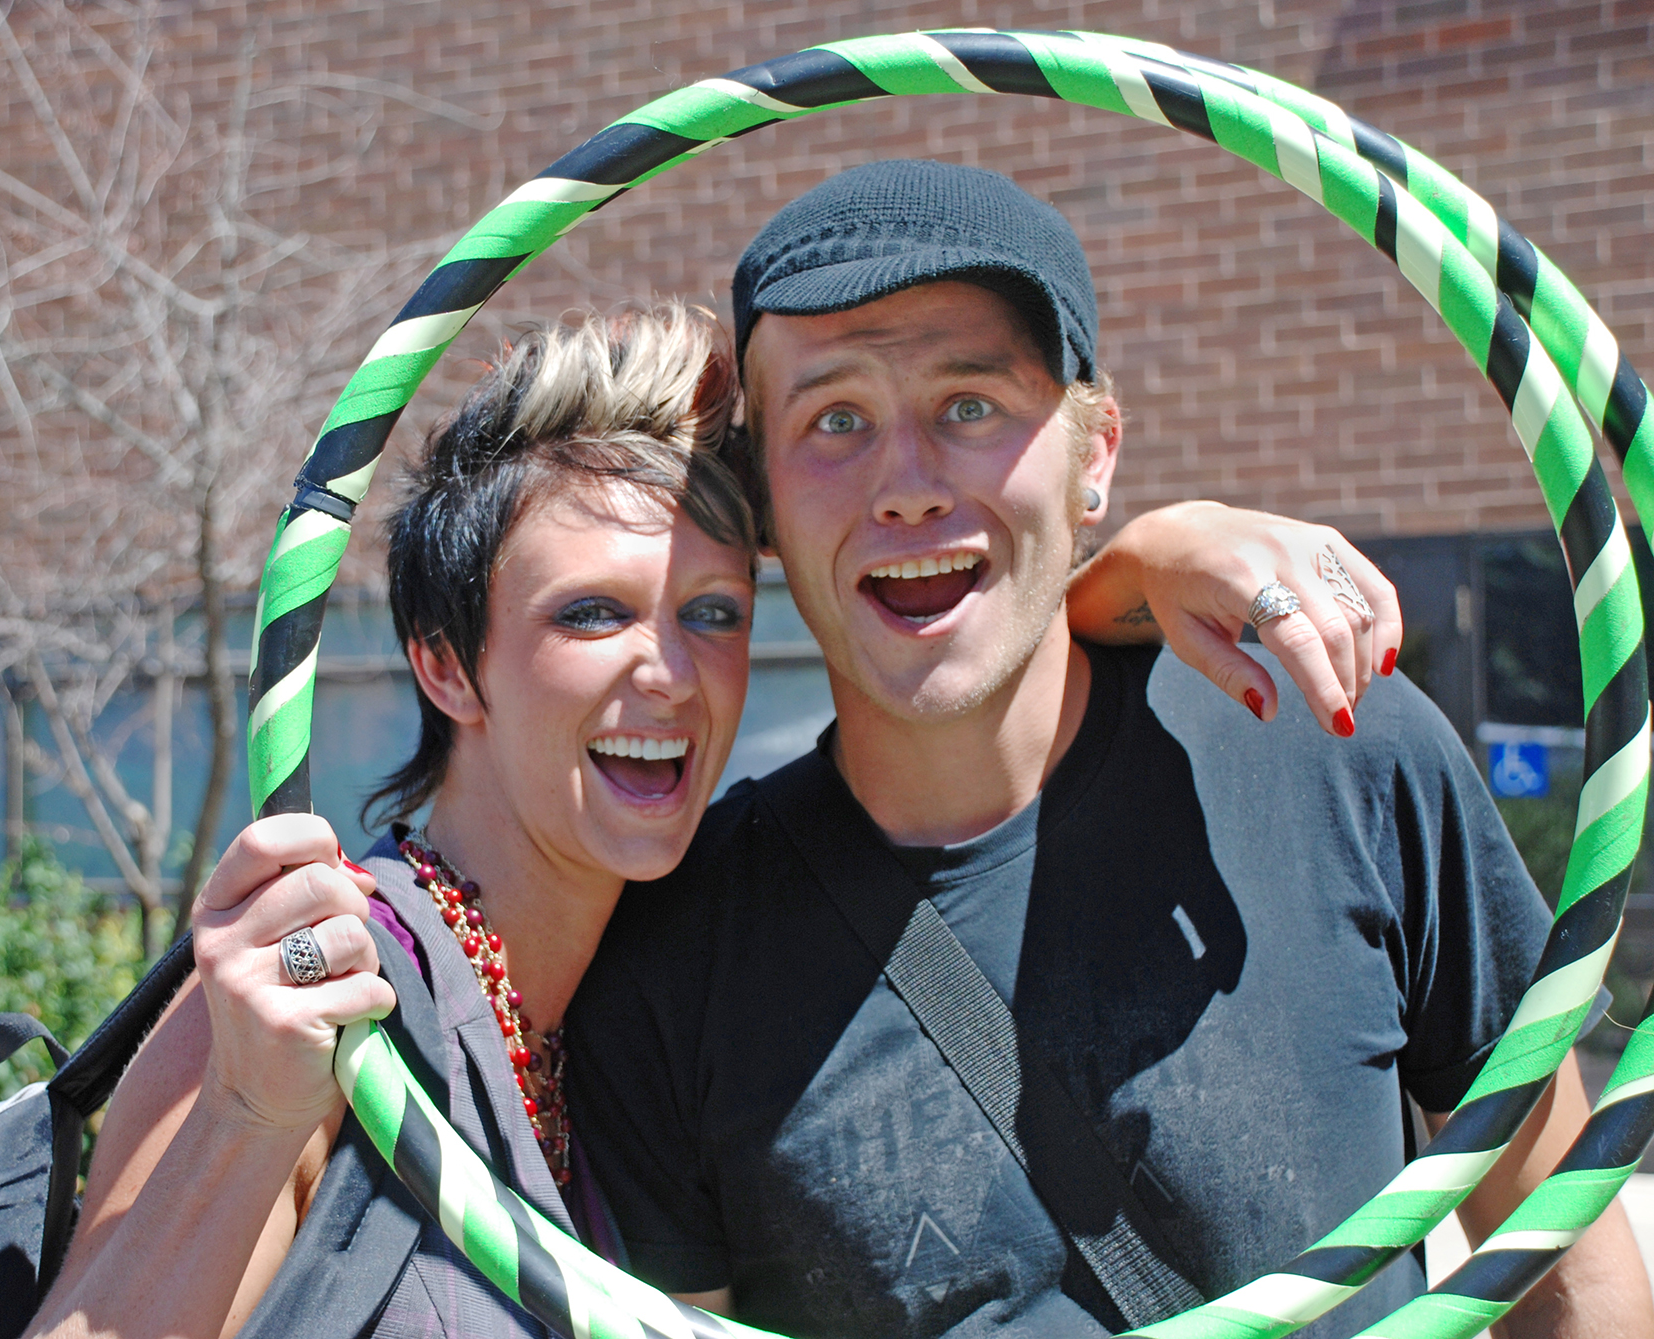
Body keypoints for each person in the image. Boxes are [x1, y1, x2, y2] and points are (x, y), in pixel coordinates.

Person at [25, 300, 1422, 1339]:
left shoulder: (659, 976)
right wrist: (248, 1118)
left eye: (709, 614)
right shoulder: (314, 988)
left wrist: (1147, 555)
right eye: (589, 614)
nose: (667, 670)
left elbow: (964, 634)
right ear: (446, 664)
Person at [565, 161, 1654, 1339]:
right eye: (835, 419)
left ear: (1094, 457)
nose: (907, 487)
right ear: (763, 504)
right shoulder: (672, 953)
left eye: (970, 405)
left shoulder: (1342, 755)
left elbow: (1565, 1270)